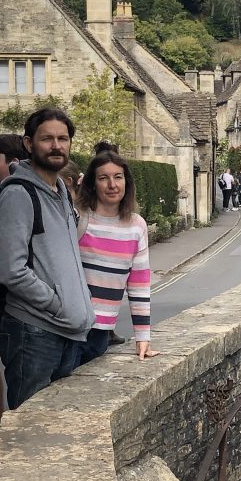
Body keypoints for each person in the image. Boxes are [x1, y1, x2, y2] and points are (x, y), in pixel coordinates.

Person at [0, 107, 95, 415]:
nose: (56, 146)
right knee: (29, 431)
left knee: (56, 431)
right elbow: (10, 269)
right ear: (28, 144)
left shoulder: (61, 190)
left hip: (65, 333)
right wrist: (57, 304)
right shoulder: (19, 194)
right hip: (34, 334)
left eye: (63, 138)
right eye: (47, 138)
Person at [76, 151, 159, 365]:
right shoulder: (79, 218)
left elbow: (139, 285)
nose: (112, 184)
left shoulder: (136, 225)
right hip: (70, 328)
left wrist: (142, 337)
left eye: (118, 177)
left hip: (101, 334)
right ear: (93, 184)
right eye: (103, 178)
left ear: (126, 182)